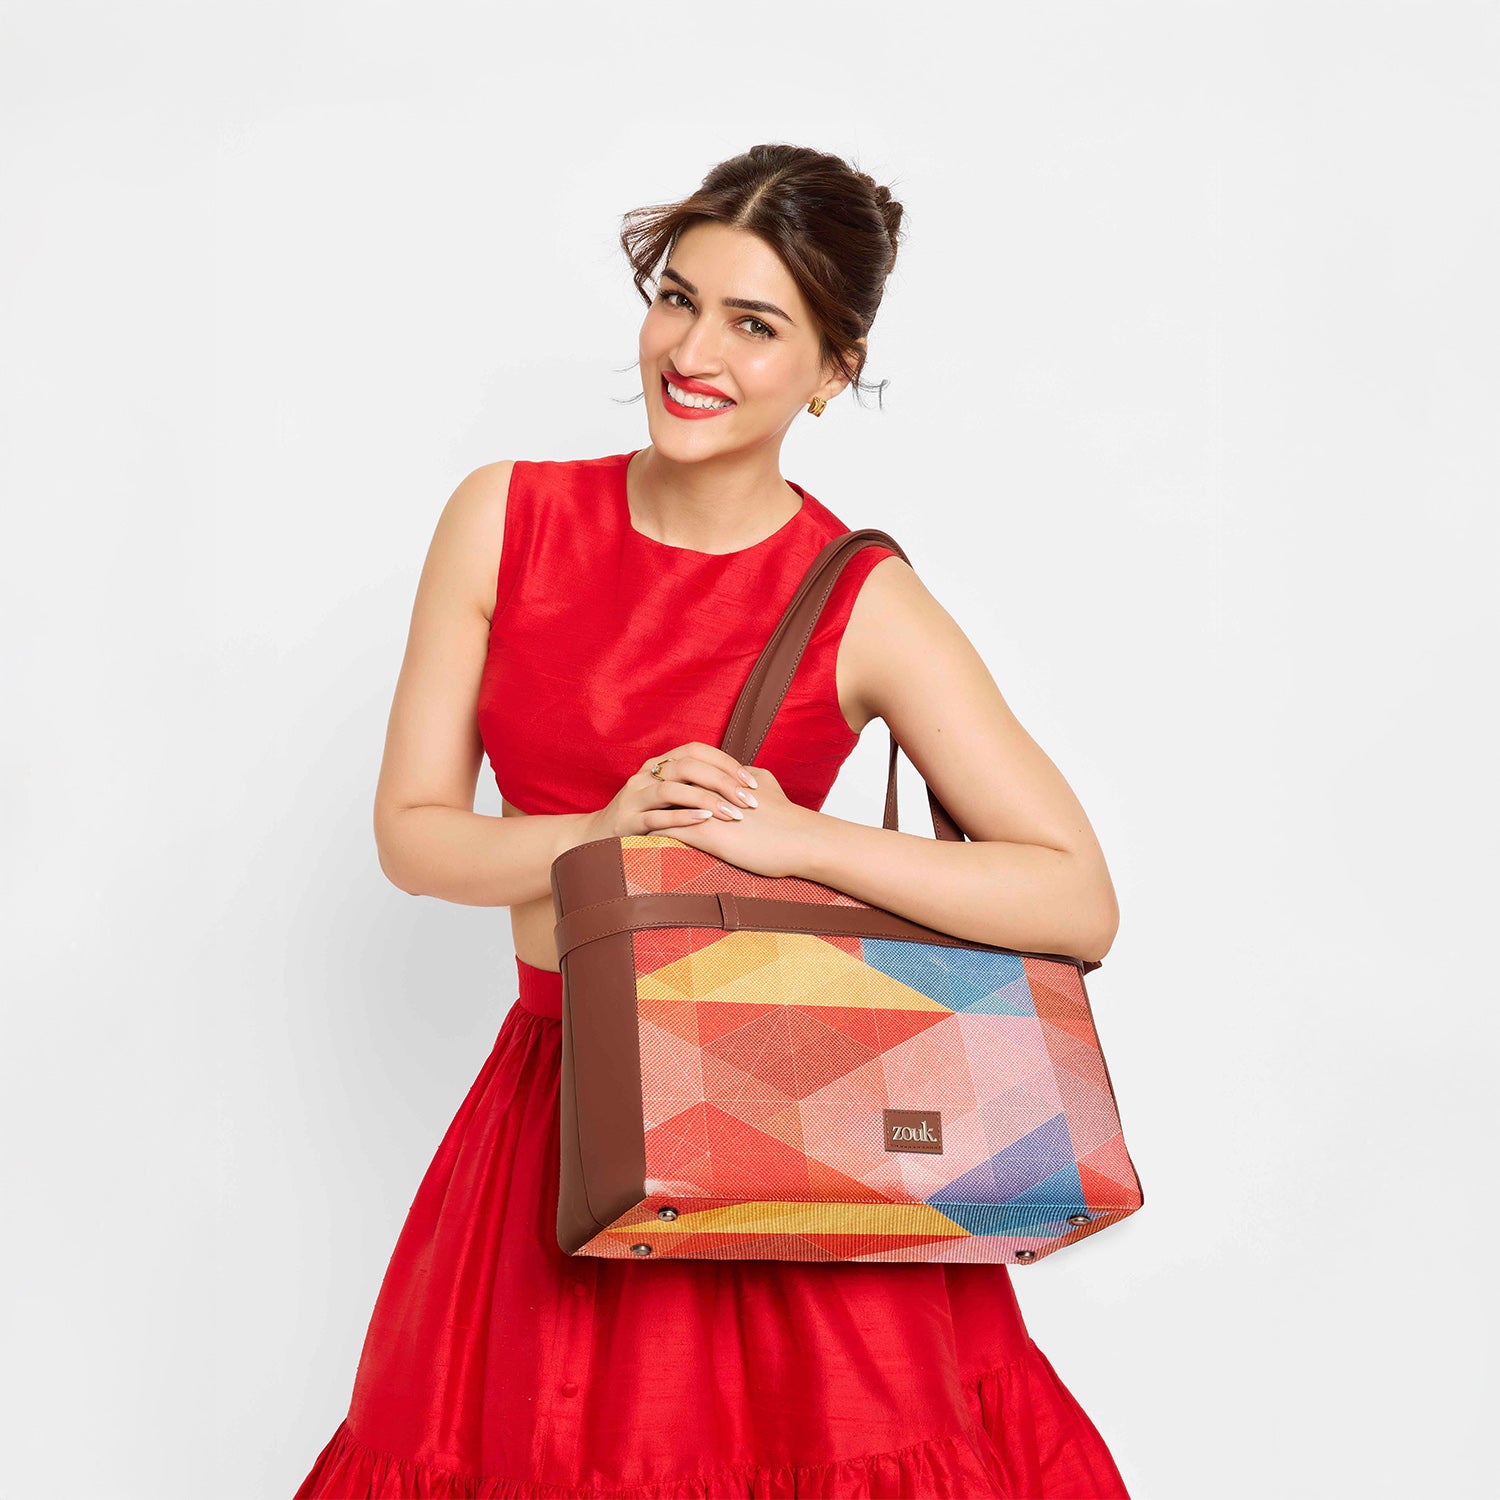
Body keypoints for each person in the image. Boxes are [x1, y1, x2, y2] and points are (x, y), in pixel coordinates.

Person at [294, 143, 1131, 1499]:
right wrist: (600, 831)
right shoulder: (505, 518)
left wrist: (801, 841)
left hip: (781, 1122)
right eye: (679, 300)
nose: (693, 353)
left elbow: (1076, 898)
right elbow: (414, 834)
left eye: (756, 325)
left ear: (835, 368)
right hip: (559, 1120)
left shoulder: (859, 598)